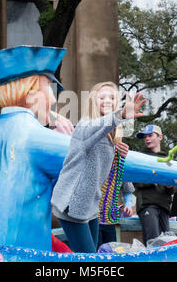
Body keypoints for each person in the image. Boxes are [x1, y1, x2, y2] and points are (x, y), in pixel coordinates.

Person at [0, 45, 73, 251]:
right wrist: (71, 143)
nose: (53, 99)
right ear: (31, 93)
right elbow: (103, 159)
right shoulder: (33, 136)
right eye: (48, 89)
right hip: (21, 252)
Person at [51, 82, 146, 253]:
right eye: (102, 97)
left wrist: (119, 153)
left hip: (91, 206)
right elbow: (98, 128)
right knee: (88, 258)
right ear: (93, 101)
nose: (107, 100)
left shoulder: (111, 136)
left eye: (112, 97)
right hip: (72, 205)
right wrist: (122, 114)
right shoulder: (84, 126)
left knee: (92, 255)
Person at [133, 124, 177, 246]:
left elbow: (175, 183)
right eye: (145, 137)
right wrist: (151, 180)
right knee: (152, 243)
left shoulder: (167, 159)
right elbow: (134, 180)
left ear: (160, 137)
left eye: (150, 135)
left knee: (166, 243)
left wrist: (170, 186)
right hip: (148, 205)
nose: (147, 139)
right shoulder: (140, 157)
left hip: (164, 206)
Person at [97, 181, 135, 249]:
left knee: (111, 252)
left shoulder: (120, 171)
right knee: (95, 253)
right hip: (91, 219)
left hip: (110, 220)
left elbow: (128, 190)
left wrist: (128, 204)